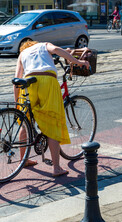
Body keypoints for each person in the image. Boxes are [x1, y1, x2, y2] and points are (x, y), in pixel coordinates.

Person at [14, 41, 89, 177]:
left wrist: (17, 103)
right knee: (52, 122)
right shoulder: (43, 45)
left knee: (25, 123)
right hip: (47, 81)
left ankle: (23, 160)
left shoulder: (23, 54)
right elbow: (56, 49)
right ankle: (56, 168)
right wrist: (78, 62)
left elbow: (17, 78)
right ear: (34, 43)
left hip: (28, 82)